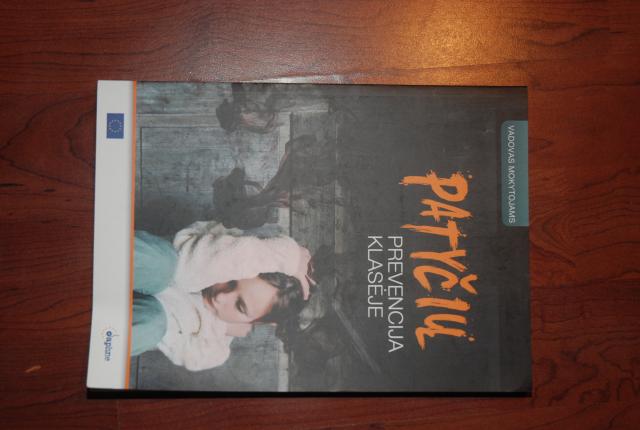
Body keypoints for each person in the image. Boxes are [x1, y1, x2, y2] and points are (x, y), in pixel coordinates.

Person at [131, 221, 313, 371]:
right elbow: (184, 274)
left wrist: (219, 327)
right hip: (138, 269)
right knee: (164, 264)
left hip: (129, 315)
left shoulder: (215, 346)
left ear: (256, 322)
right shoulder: (220, 246)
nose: (220, 297)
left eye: (239, 306)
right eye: (231, 281)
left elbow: (190, 354)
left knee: (154, 324)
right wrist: (283, 256)